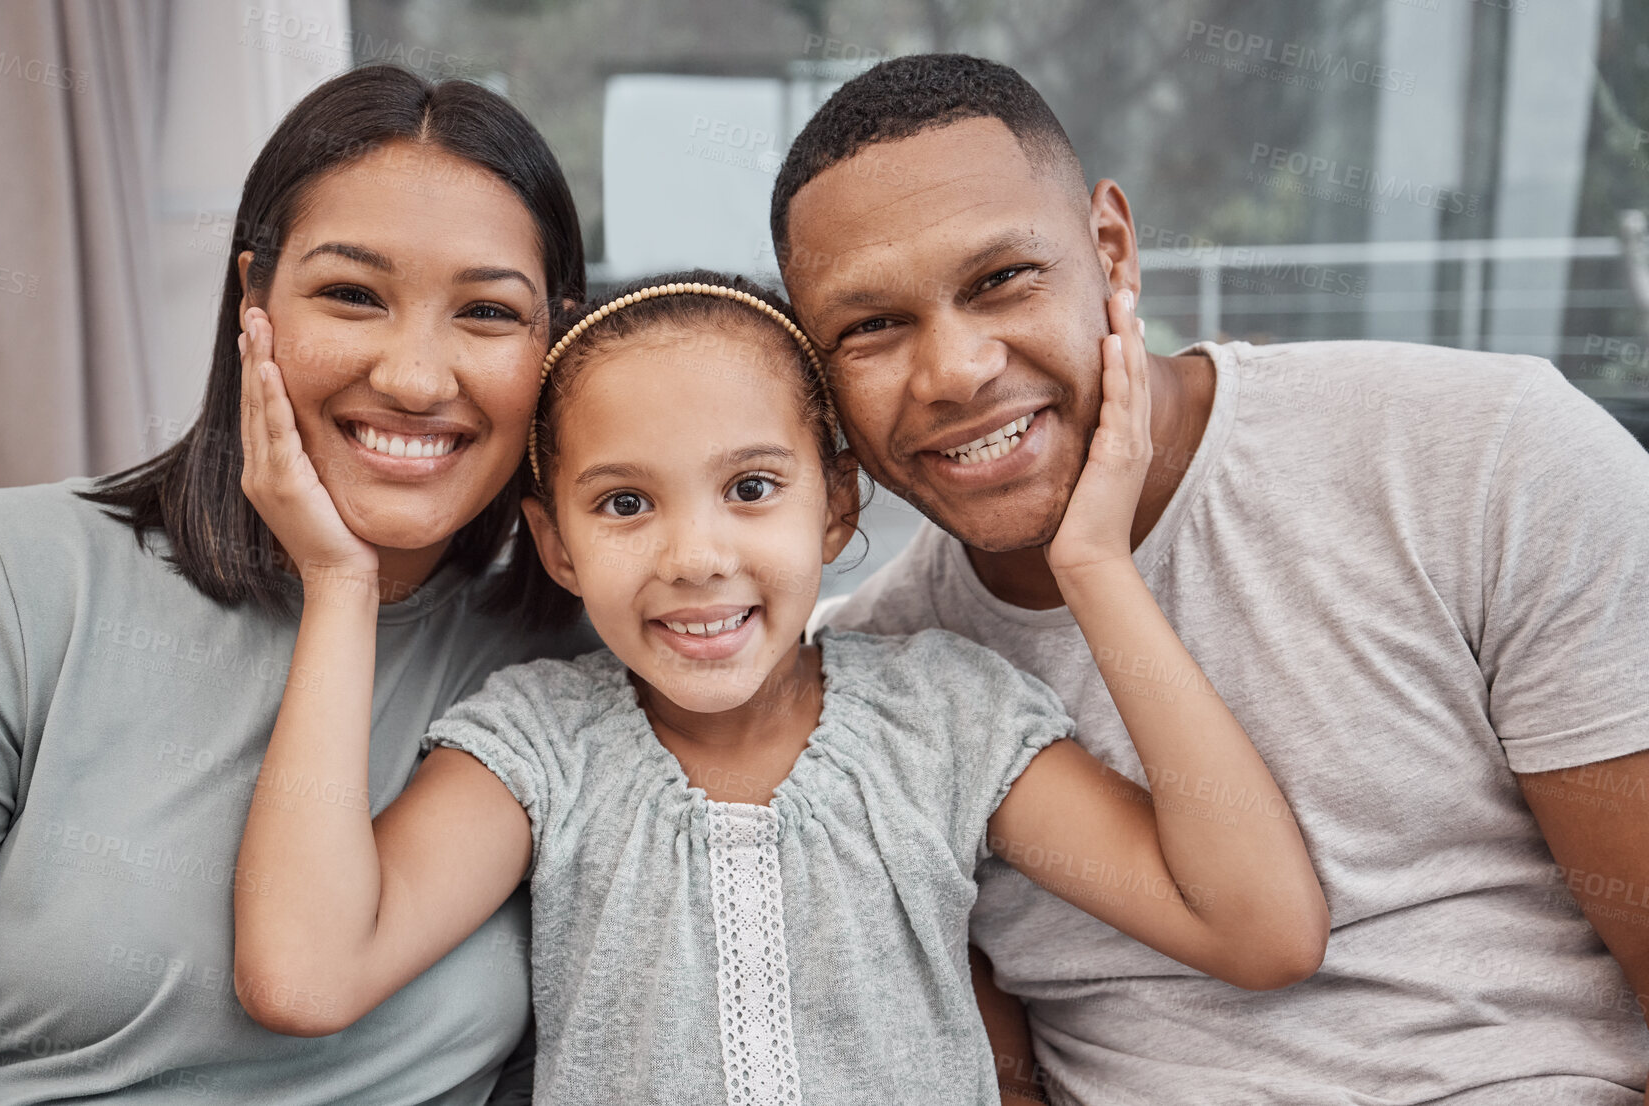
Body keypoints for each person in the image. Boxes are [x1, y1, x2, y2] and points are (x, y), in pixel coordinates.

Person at [771, 52, 1649, 1104]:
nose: (954, 370)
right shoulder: (873, 688)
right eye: (870, 326)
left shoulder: (1485, 456)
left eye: (1000, 279)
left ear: (1109, 246)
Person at [227, 267, 1330, 1104]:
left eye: (750, 487)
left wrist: (1090, 564)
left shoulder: (944, 717)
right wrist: (338, 582)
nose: (694, 552)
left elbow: (1258, 927)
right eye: (622, 504)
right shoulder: (537, 748)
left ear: (836, 508)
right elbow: (306, 975)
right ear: (554, 545)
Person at [0, 65, 594, 1104]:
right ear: (253, 304)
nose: (418, 378)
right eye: (351, 294)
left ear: (554, 338)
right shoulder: (10, 579)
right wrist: (341, 580)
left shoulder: (582, 661)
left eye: (487, 312)